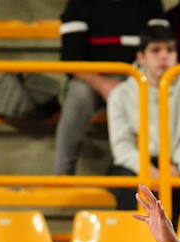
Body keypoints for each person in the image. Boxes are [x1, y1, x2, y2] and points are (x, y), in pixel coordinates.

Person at [107, 22, 180, 213]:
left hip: (178, 163)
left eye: (170, 50)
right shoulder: (120, 94)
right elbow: (122, 145)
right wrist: (146, 169)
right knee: (127, 188)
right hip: (137, 163)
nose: (164, 56)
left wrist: (176, 167)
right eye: (156, 50)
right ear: (141, 57)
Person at [52, 0, 165, 176]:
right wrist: (104, 85)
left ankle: (148, 169)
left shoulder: (150, 3)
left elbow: (160, 47)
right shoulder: (78, 4)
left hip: (138, 76)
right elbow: (71, 59)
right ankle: (62, 175)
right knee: (79, 94)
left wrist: (136, 80)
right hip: (92, 78)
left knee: (155, 90)